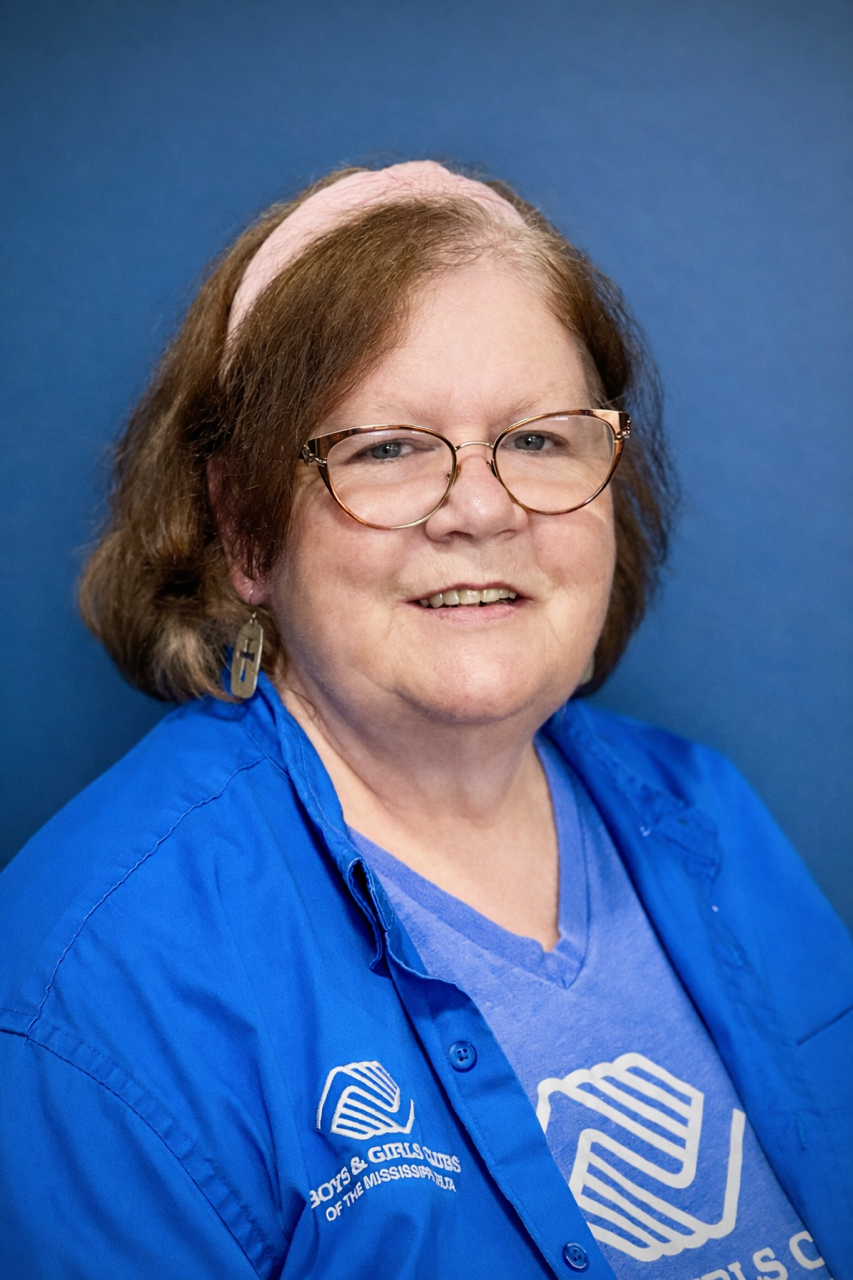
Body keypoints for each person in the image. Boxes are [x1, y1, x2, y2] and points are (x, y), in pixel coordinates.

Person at [0, 161, 849, 1280]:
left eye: (539, 439)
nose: (483, 508)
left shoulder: (708, 809)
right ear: (246, 529)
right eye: (387, 448)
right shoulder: (89, 978)